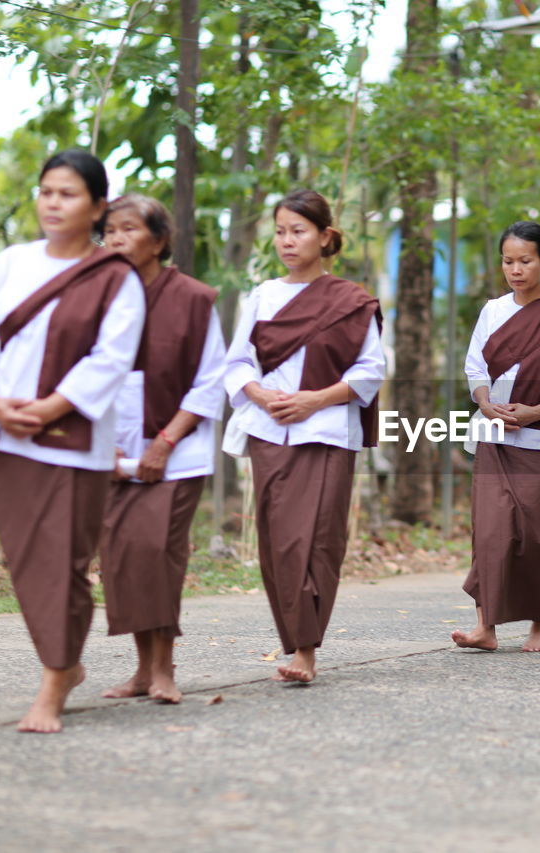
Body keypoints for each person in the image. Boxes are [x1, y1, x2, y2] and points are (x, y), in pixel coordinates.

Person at [0, 150, 146, 732]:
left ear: (98, 206)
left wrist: (50, 407)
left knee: (63, 561)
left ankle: (56, 677)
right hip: (5, 434)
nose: (53, 203)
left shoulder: (118, 279)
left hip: (72, 440)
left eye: (68, 194)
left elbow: (111, 360)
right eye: (46, 191)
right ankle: (62, 662)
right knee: (29, 561)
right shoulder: (13, 262)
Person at [223, 189, 385, 683]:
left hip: (326, 431)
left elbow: (371, 368)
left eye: (298, 231)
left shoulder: (350, 301)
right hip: (268, 431)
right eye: (280, 231)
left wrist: (316, 399)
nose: (287, 241)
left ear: (324, 236)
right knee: (277, 542)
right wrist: (257, 393)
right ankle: (293, 638)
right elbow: (236, 362)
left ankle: (307, 652)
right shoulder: (262, 296)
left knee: (315, 540)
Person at [98, 195, 226, 703]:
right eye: (108, 230)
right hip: (112, 451)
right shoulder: (98, 297)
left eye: (128, 229)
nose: (115, 238)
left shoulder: (192, 298)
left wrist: (166, 440)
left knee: (158, 553)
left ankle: (165, 669)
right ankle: (140, 670)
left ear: (159, 240)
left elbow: (210, 379)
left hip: (178, 450)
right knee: (122, 556)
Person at [451, 222, 540, 653]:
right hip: (494, 436)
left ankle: (539, 625)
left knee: (538, 535)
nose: (515, 270)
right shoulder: (493, 312)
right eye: (508, 261)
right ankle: (486, 628)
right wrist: (485, 402)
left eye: (525, 261)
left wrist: (535, 411)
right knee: (491, 534)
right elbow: (475, 366)